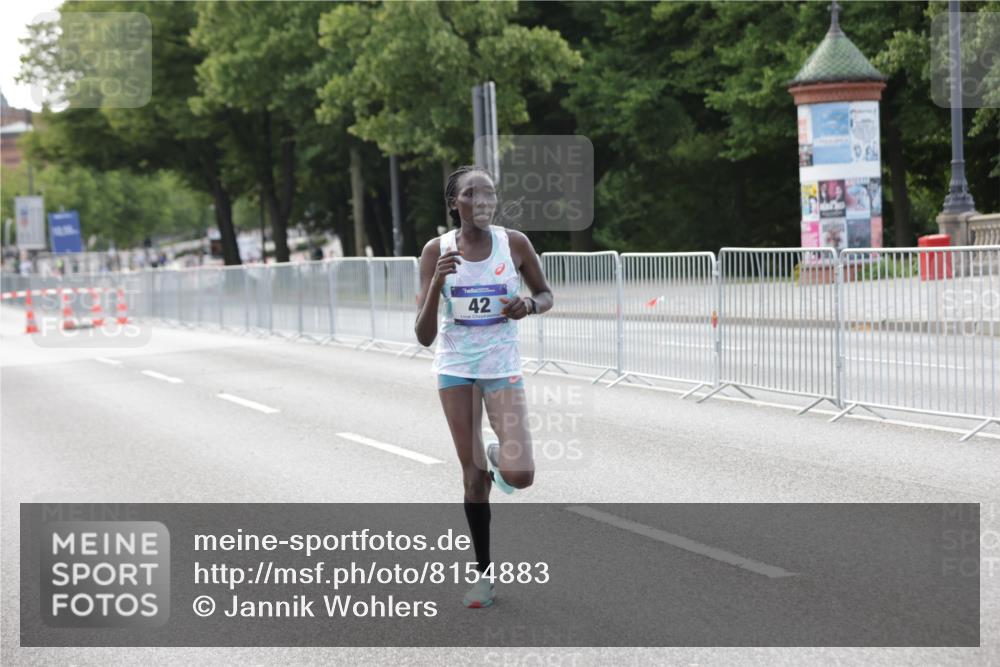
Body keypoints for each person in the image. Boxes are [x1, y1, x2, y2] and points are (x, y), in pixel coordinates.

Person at [414, 166, 553, 609]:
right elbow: (422, 335)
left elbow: (546, 293)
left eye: (490, 193)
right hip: (456, 368)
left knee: (520, 475)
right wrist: (437, 282)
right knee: (472, 478)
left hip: (501, 365)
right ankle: (484, 578)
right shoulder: (436, 251)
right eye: (473, 194)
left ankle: (498, 455)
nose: (484, 201)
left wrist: (528, 304)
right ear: (456, 203)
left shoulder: (514, 244)